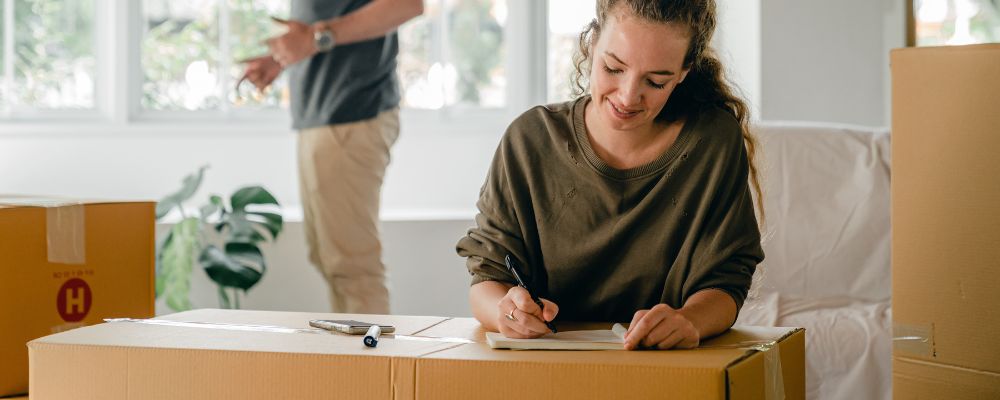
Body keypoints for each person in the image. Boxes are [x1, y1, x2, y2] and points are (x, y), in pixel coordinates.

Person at [456, 0, 764, 350]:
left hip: (668, 366)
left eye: (656, 81)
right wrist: (506, 312)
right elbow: (488, 275)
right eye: (614, 68)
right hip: (547, 363)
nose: (629, 96)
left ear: (683, 73)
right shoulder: (529, 141)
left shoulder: (713, 142)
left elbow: (728, 281)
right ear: (591, 45)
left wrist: (690, 320)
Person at [240, 0, 423, 314]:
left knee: (352, 269)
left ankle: (369, 364)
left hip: (350, 115)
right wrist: (280, 59)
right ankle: (352, 362)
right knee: (331, 261)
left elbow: (406, 4)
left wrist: (314, 38)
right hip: (326, 118)